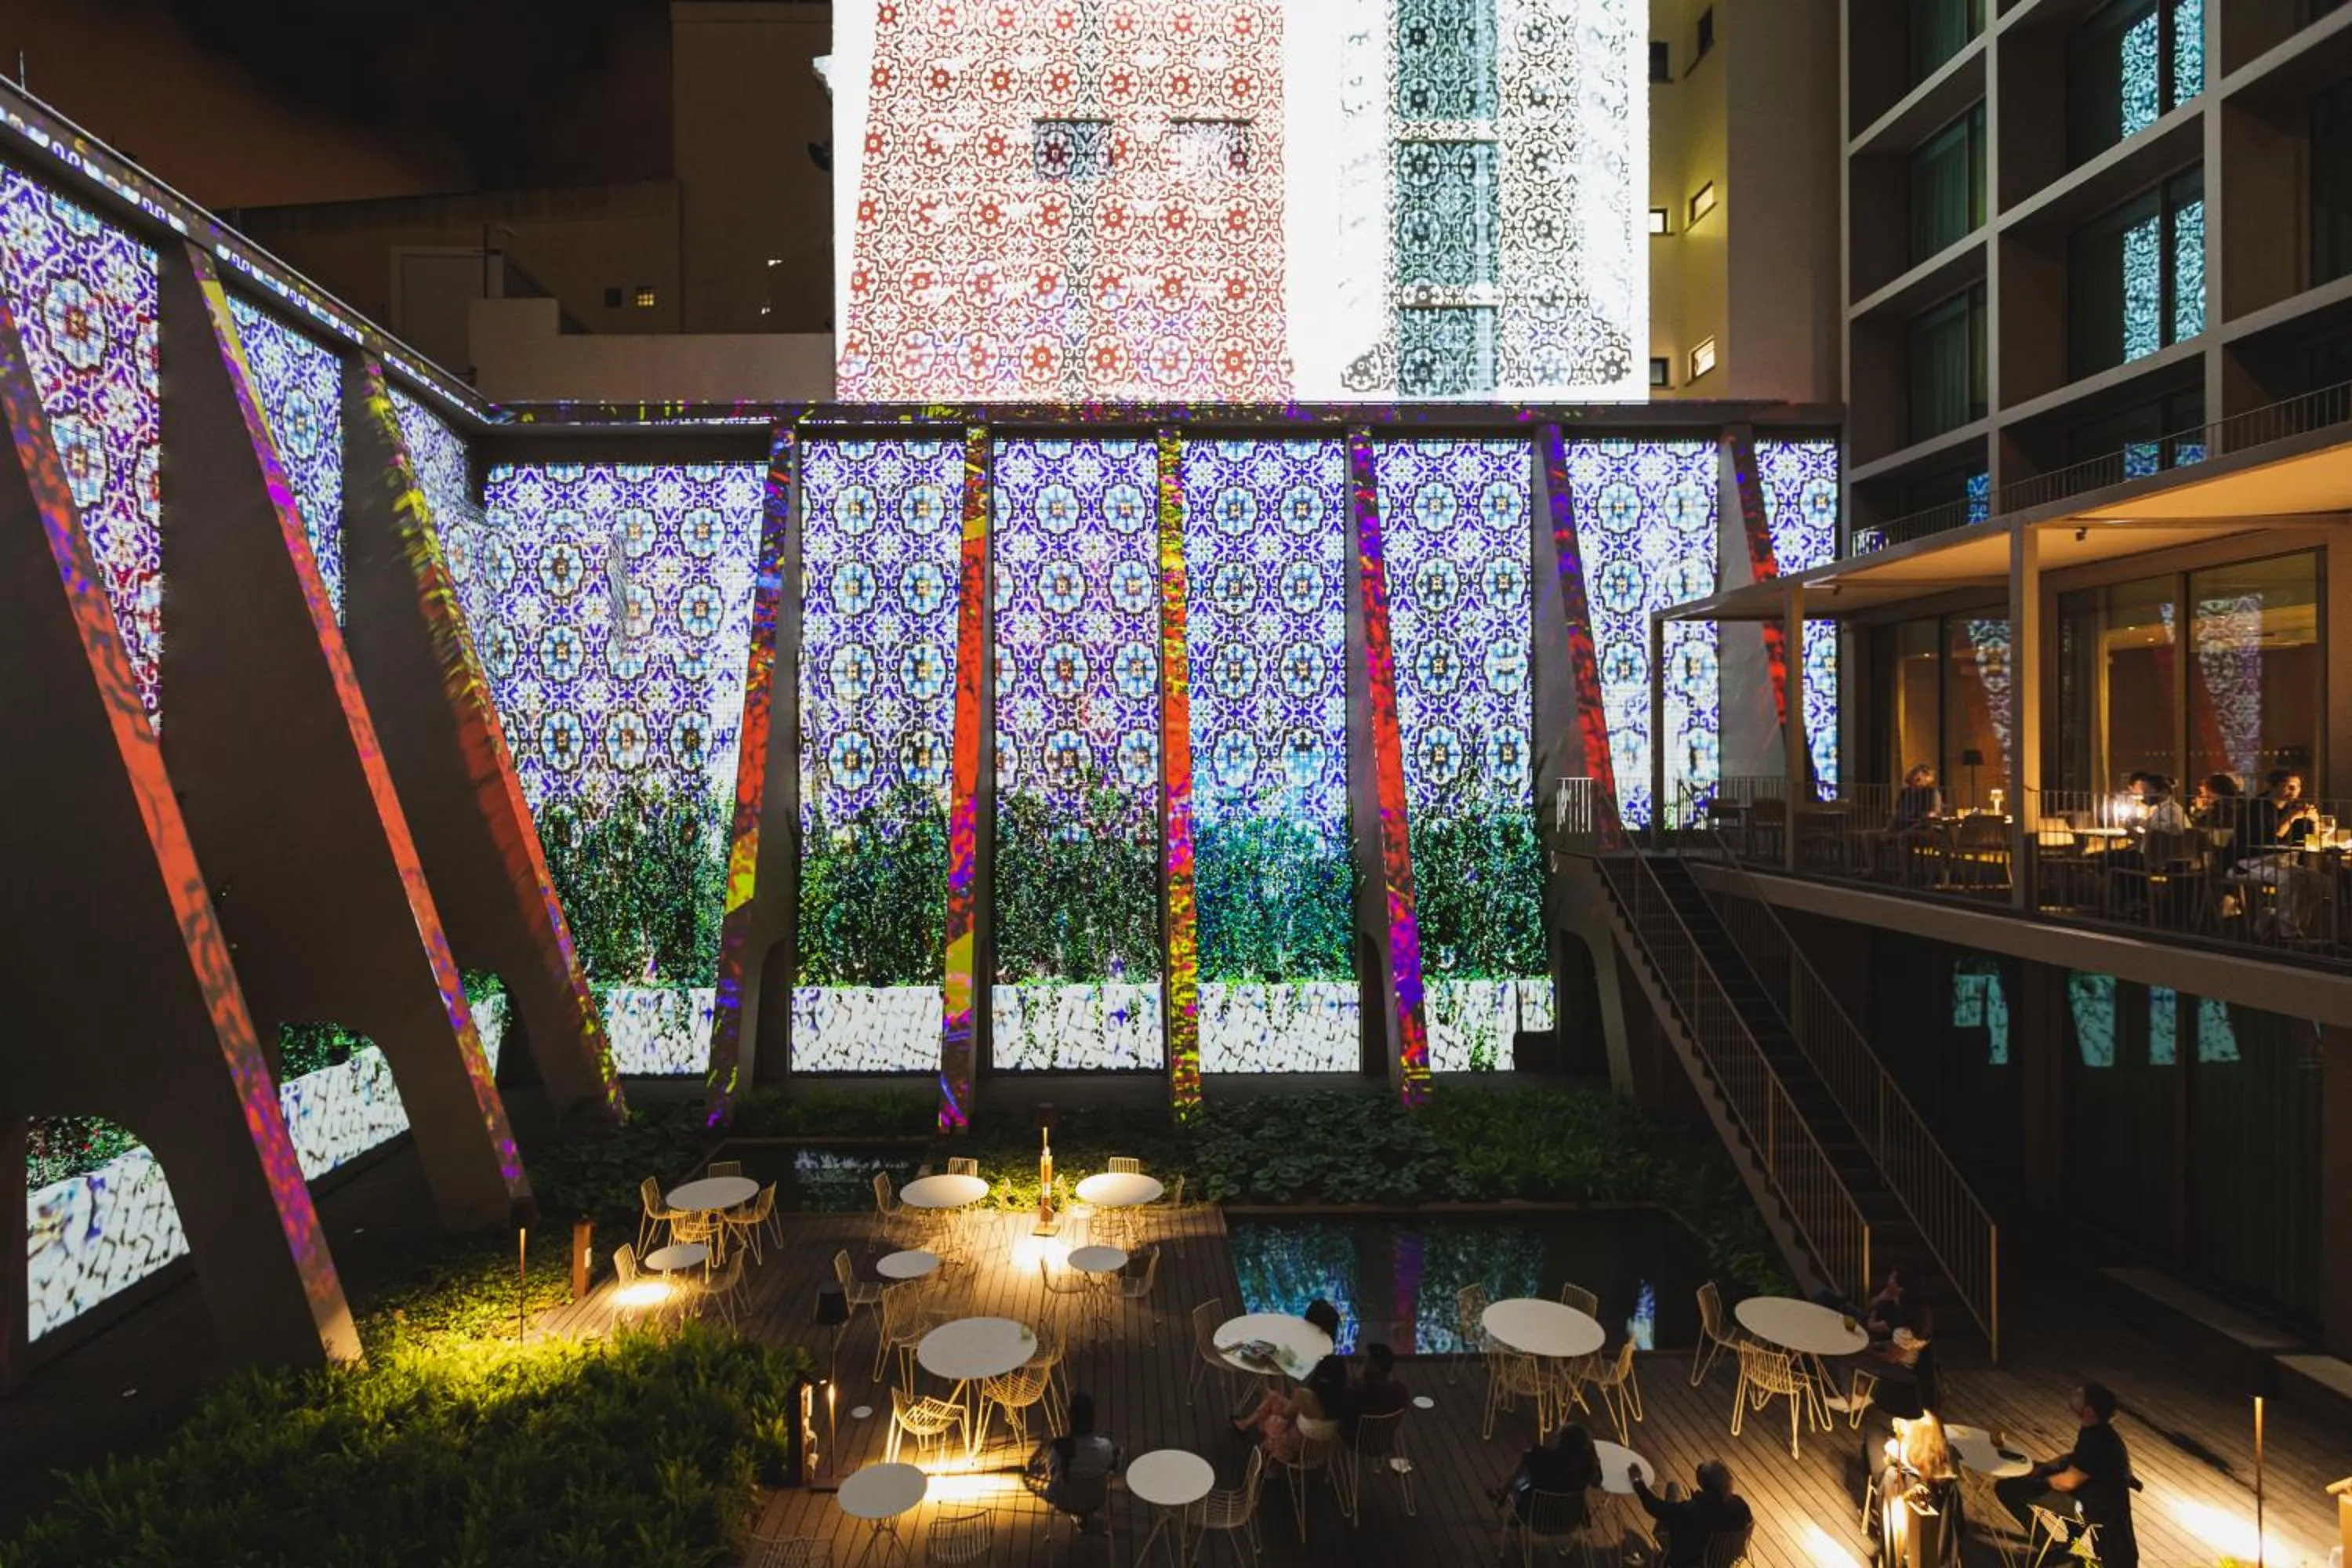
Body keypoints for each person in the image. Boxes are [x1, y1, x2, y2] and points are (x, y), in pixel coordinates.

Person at [1994, 1382, 2140, 1568]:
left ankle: (2047, 1544)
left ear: (2088, 1411)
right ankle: (2066, 1537)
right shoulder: (2101, 1433)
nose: (2073, 1393)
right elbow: (2075, 1458)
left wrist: (2039, 1479)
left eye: (2079, 1394)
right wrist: (2045, 1466)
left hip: (2089, 1507)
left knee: (2007, 1488)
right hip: (2095, 1496)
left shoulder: (2097, 1442)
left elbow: (2067, 1482)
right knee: (2030, 1470)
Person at [1634, 1457, 1753, 1568]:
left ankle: (1654, 1560)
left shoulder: (1692, 1511)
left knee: (1672, 1498)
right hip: (1721, 1560)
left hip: (1690, 1561)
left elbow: (1655, 1507)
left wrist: (1638, 1482)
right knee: (1676, 1488)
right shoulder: (1741, 1506)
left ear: (1705, 1484)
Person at [1232, 1352, 1348, 1462]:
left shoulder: (1306, 1396)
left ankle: (1267, 1449)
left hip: (1295, 1449)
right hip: (1320, 1451)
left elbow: (1286, 1413)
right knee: (1274, 1397)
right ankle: (1245, 1424)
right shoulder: (1344, 1397)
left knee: (1272, 1410)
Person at [1023, 1391, 1122, 1514]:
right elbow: (1111, 1466)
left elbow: (1051, 1470)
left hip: (1064, 1501)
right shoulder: (1104, 1447)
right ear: (1092, 1419)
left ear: (1070, 1419)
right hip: (1096, 1500)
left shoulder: (1059, 1449)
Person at [1489, 1421, 1601, 1523]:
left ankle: (1502, 1492)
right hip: (1568, 1521)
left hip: (1535, 1517)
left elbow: (1526, 1457)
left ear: (1561, 1441)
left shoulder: (1544, 1458)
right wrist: (1594, 1459)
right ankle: (1502, 1493)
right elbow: (1597, 1482)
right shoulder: (1587, 1469)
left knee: (1524, 1473)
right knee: (1527, 1473)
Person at [1350, 1341, 1410, 1438]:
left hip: (1360, 1442)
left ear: (1374, 1365)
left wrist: (1357, 1377)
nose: (1362, 1364)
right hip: (1387, 1442)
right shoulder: (1400, 1391)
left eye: (1366, 1361)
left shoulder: (1359, 1393)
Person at [2248, 770, 2320, 848]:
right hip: (2259, 854)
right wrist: (2291, 817)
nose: (2294, 790)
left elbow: (2312, 843)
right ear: (2272, 787)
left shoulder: (2294, 806)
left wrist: (2315, 822)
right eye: (2289, 786)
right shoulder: (2255, 807)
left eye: (2298, 786)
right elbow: (2269, 841)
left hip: (2289, 853)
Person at [1892, 764, 1945, 829]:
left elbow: (1935, 812)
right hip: (1905, 824)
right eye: (1917, 778)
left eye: (1920, 779)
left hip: (1924, 825)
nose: (1919, 782)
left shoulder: (1932, 793)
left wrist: (1926, 816)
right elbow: (1899, 809)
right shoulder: (1905, 793)